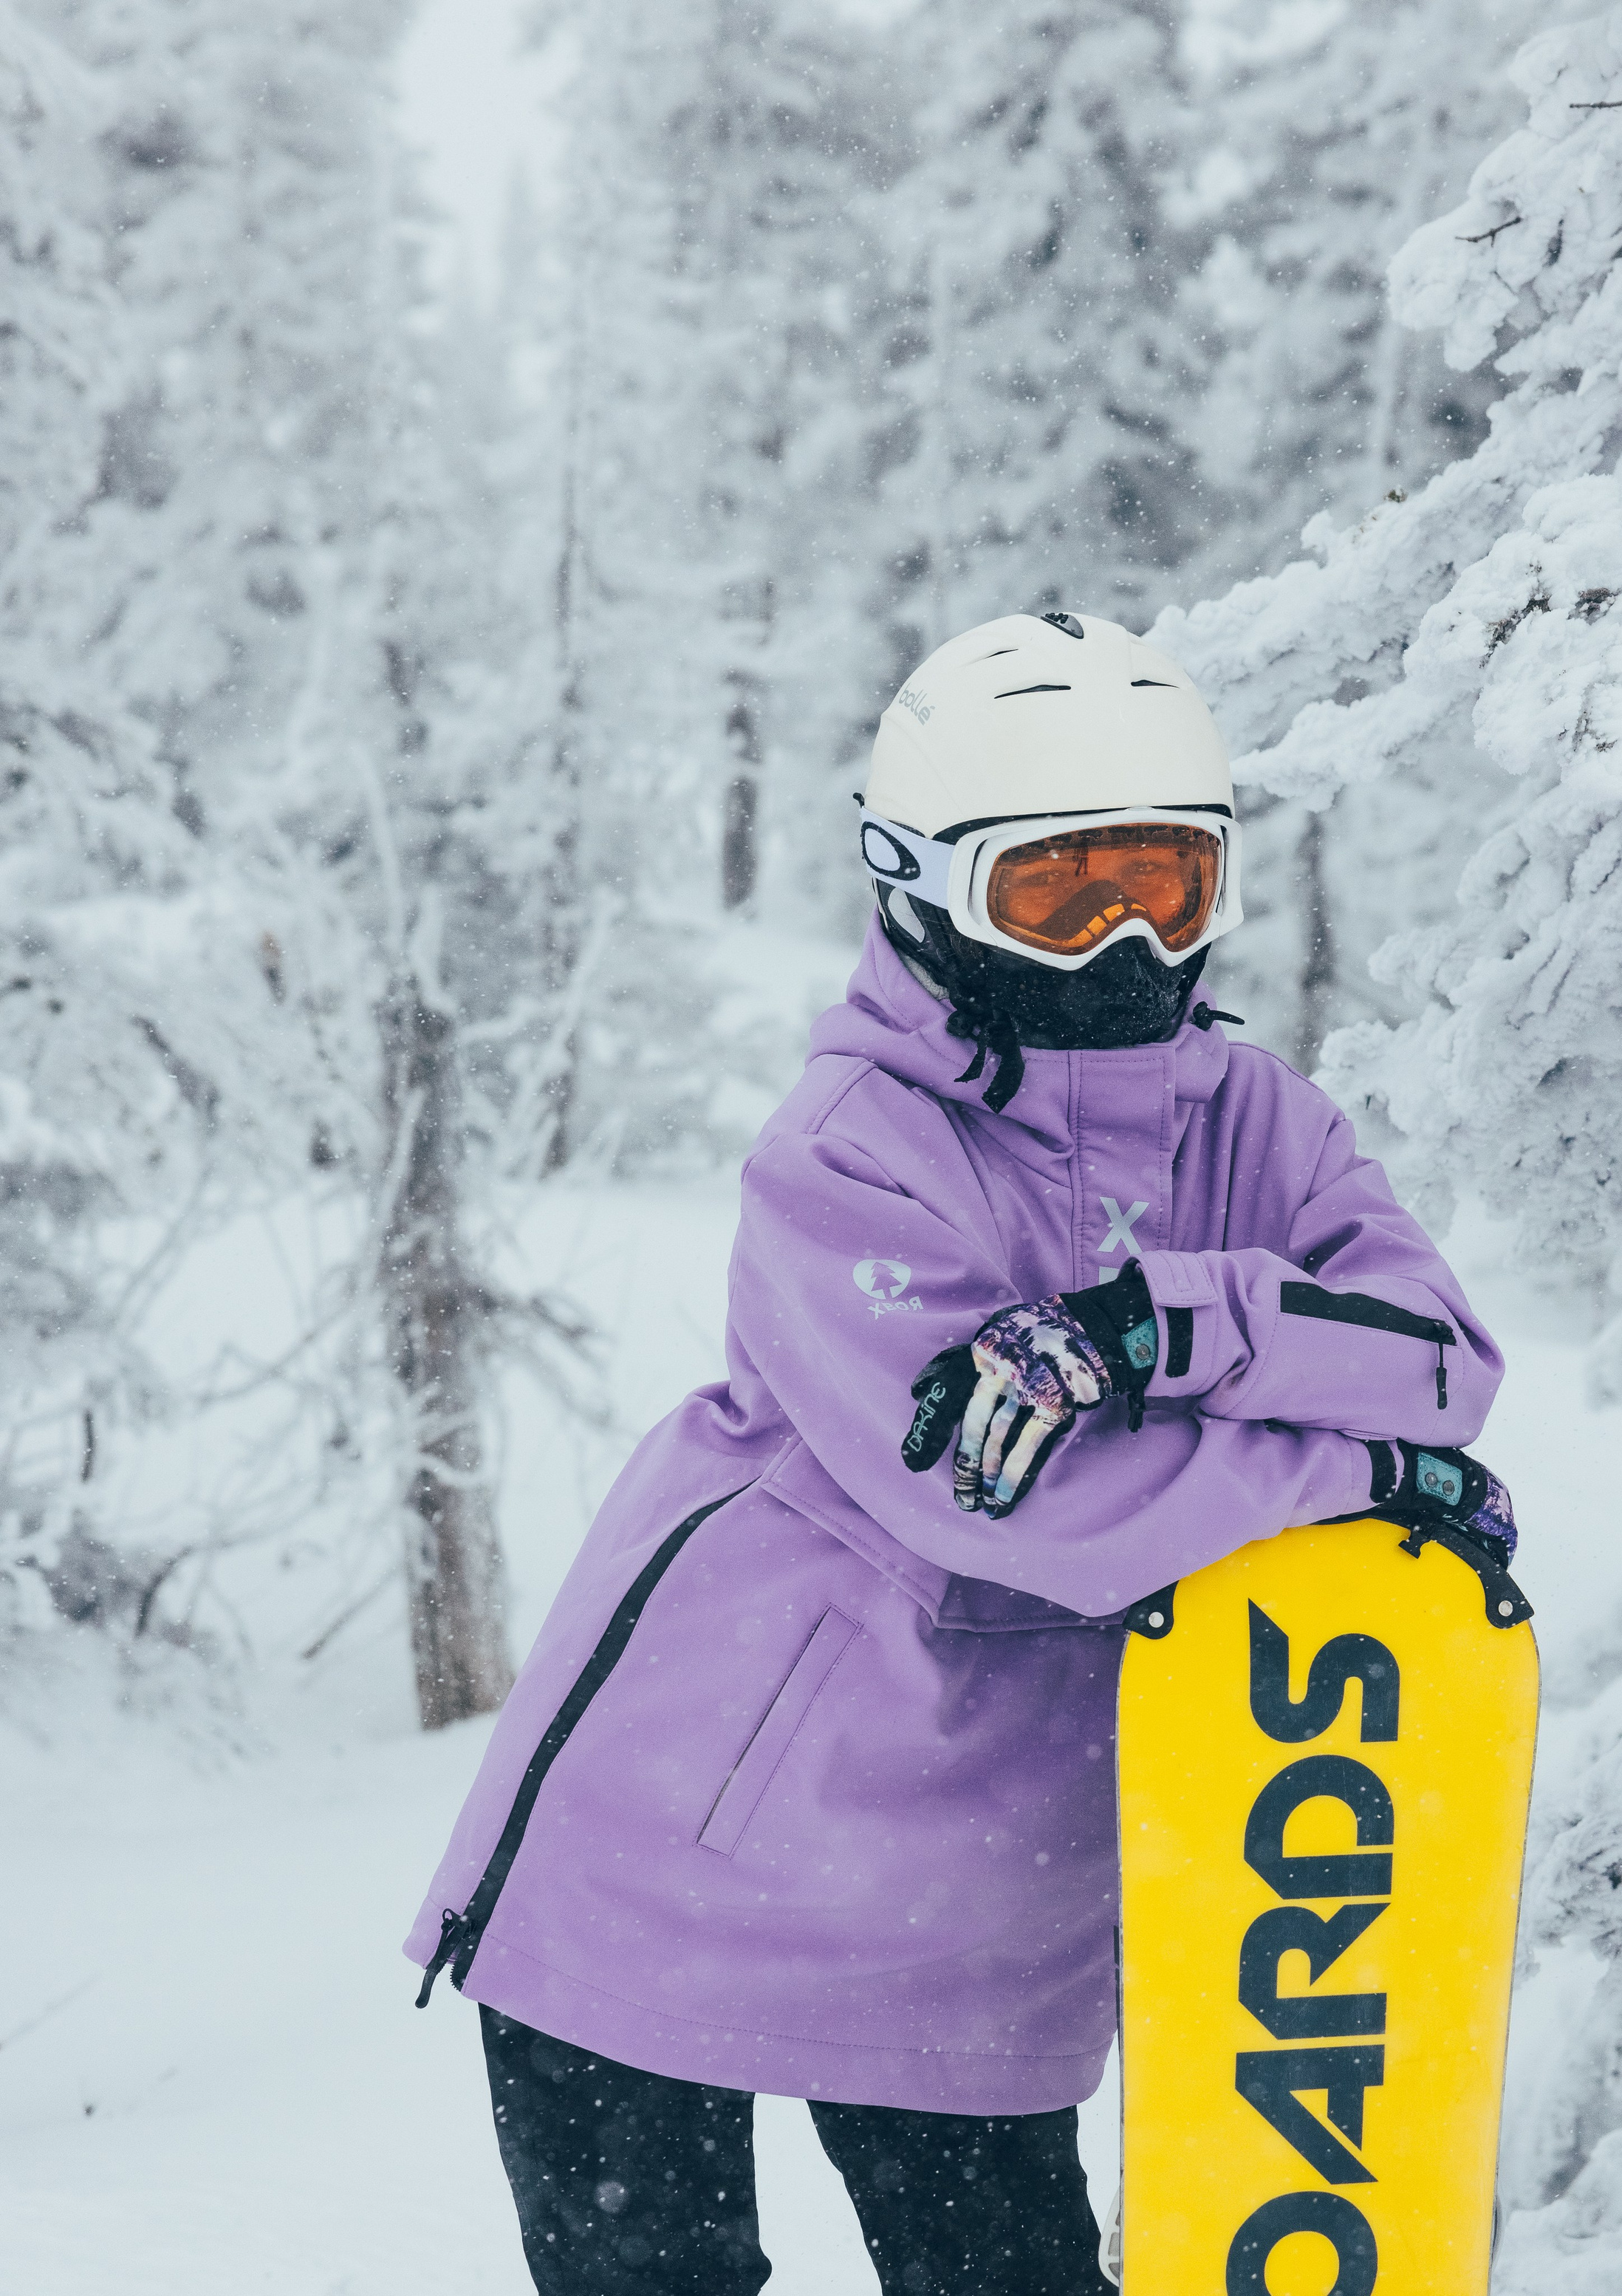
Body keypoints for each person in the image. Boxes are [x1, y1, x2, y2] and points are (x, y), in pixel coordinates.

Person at [406, 612, 1510, 2295]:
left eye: (1169, 884)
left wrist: (1164, 1325)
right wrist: (1350, 1475)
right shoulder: (847, 1152)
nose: (1125, 939)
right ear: (919, 886)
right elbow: (1023, 1503)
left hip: (983, 1905)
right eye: (1057, 894)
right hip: (664, 1863)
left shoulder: (1258, 1127)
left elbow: (1436, 1362)